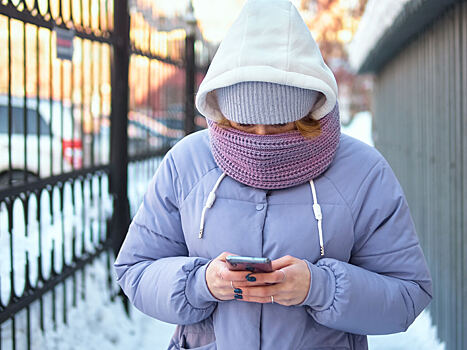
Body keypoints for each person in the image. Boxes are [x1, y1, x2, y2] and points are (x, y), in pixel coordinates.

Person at [113, 0, 433, 349]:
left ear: (310, 110)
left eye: (282, 123)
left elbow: (407, 295)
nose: (262, 137)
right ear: (223, 111)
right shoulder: (186, 163)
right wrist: (201, 282)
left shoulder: (363, 172)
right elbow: (135, 270)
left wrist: (319, 287)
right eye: (245, 124)